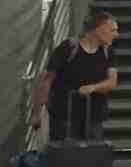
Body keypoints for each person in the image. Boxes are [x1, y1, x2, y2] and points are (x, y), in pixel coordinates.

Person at [35, 10, 118, 140]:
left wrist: (92, 88)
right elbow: (47, 80)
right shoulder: (68, 48)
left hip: (93, 117)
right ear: (98, 29)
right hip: (65, 116)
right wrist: (37, 112)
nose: (116, 35)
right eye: (112, 30)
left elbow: (111, 83)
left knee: (92, 157)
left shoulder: (108, 52)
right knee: (65, 157)